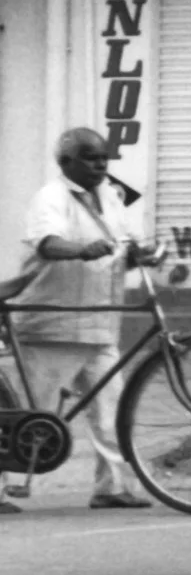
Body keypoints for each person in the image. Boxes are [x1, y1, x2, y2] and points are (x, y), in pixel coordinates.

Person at [10, 128, 157, 510]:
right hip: (52, 325)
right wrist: (81, 249)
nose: (100, 164)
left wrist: (143, 253)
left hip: (100, 323)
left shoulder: (110, 196)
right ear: (66, 163)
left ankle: (112, 487)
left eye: (104, 157)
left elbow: (124, 243)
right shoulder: (50, 197)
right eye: (90, 158)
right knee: (27, 418)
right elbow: (47, 243)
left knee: (112, 410)